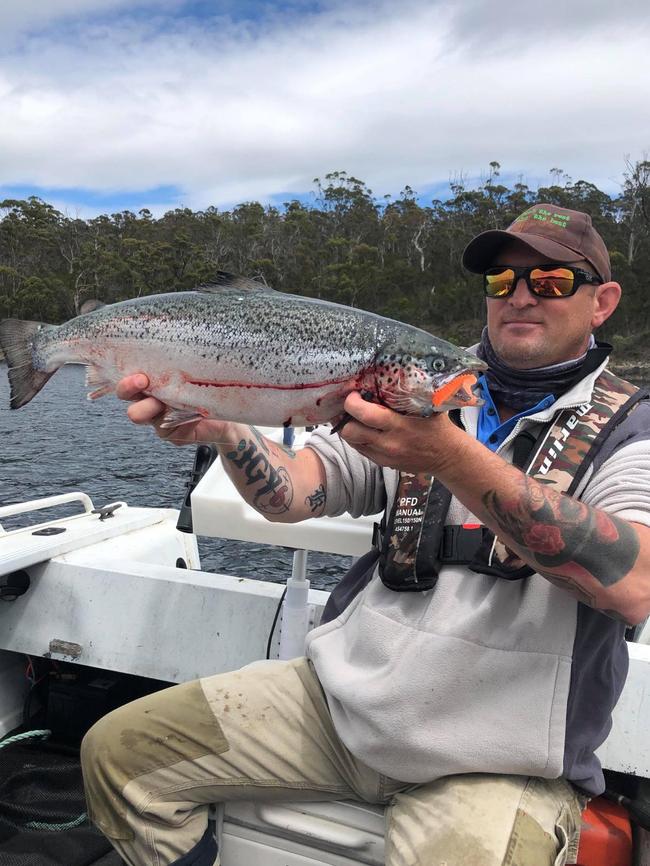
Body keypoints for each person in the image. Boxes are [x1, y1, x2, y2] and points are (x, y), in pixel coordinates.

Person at [81, 203, 650, 866]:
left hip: (497, 757)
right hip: (340, 709)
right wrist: (225, 429)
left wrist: (445, 455)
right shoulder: (408, 386)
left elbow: (632, 585)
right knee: (116, 755)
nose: (520, 296)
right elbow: (293, 494)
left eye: (550, 281)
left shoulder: (629, 432)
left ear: (602, 301)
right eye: (501, 281)